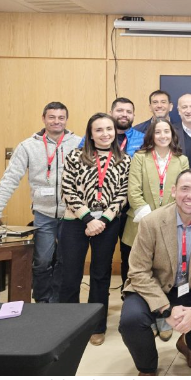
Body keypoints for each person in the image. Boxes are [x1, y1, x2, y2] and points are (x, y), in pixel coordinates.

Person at [120, 168, 191, 375]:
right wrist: (166, 310)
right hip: (156, 286)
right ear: (173, 191)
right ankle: (147, 367)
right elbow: (138, 272)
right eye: (185, 188)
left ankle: (190, 346)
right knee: (131, 320)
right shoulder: (151, 222)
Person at [0, 100, 80, 302]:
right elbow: (9, 179)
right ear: (43, 119)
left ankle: (59, 303)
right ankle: (42, 301)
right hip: (43, 214)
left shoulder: (79, 143)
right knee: (42, 261)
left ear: (67, 119)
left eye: (61, 117)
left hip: (72, 214)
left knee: (65, 261)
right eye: (52, 117)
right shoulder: (28, 146)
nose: (57, 121)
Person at [57, 113, 130, 342]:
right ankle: (67, 325)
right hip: (76, 222)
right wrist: (88, 218)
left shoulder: (124, 160)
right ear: (90, 134)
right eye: (99, 130)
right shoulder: (75, 156)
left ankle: (97, 326)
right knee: (70, 275)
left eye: (109, 129)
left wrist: (103, 220)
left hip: (107, 224)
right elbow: (67, 189)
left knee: (101, 275)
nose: (105, 134)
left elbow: (123, 194)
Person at [124, 117, 189, 259]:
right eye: (158, 132)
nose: (163, 136)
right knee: (138, 264)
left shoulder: (182, 160)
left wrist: (166, 216)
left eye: (166, 131)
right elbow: (133, 190)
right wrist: (150, 217)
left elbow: (183, 191)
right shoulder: (140, 157)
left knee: (164, 264)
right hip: (142, 219)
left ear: (172, 134)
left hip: (170, 220)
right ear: (151, 135)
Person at [109, 95, 150, 285]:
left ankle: (128, 293)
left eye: (128, 112)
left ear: (134, 115)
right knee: (104, 255)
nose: (124, 114)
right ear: (111, 112)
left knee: (130, 252)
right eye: (120, 110)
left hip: (132, 205)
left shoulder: (143, 139)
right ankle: (100, 298)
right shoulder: (98, 136)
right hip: (105, 204)